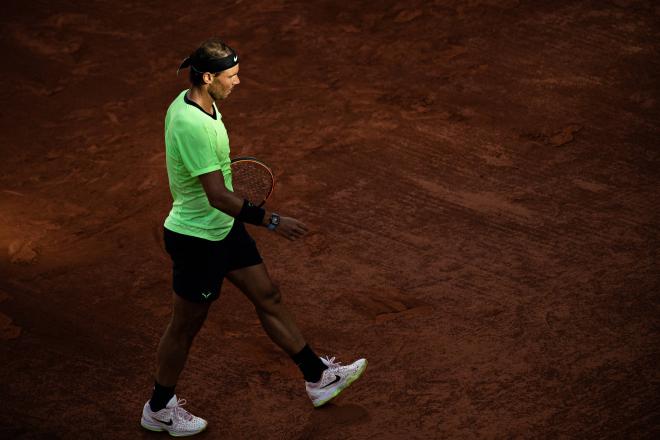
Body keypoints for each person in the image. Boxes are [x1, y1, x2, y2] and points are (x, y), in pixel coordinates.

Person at [139, 38, 367, 437]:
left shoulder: (199, 101)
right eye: (231, 76)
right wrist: (273, 221)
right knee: (184, 327)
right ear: (207, 77)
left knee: (268, 295)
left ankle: (317, 378)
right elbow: (218, 195)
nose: (238, 81)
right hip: (197, 240)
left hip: (223, 229)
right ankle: (158, 407)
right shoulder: (191, 123)